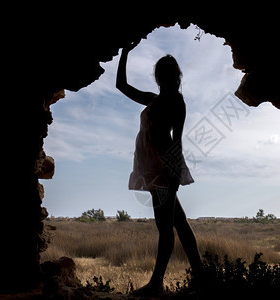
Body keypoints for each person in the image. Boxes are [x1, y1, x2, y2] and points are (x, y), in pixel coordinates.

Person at [116, 39, 201, 296]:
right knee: (179, 222)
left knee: (165, 226)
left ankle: (156, 283)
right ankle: (201, 275)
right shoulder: (152, 100)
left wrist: (174, 175)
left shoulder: (177, 102)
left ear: (174, 77)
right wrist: (125, 52)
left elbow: (177, 141)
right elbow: (121, 86)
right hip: (152, 170)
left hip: (164, 171)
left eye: (167, 74)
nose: (163, 78)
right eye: (160, 74)